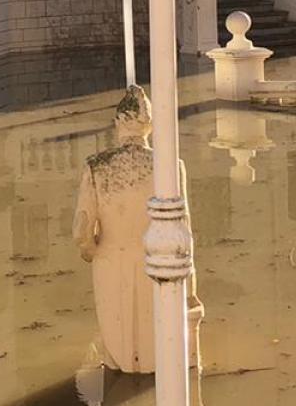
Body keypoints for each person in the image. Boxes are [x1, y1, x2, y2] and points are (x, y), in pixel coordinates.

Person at [72, 85, 202, 375]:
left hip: (110, 258)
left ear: (118, 123)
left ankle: (122, 377)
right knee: (154, 331)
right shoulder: (170, 166)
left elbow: (81, 228)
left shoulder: (97, 166)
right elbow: (183, 228)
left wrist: (90, 250)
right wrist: (191, 284)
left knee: (116, 342)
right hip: (155, 259)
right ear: (150, 126)